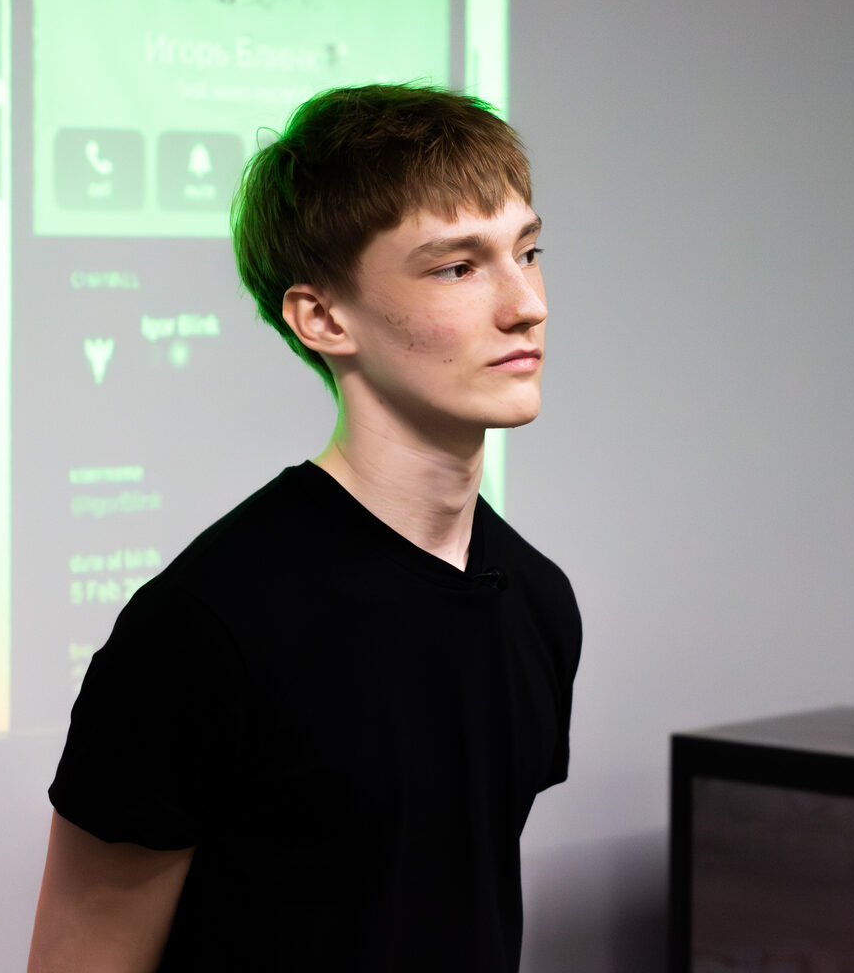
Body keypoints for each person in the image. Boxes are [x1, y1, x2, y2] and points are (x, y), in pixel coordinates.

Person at [29, 84, 582, 972]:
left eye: (528, 251)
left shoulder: (537, 603)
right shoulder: (200, 632)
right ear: (322, 317)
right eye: (457, 267)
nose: (526, 304)